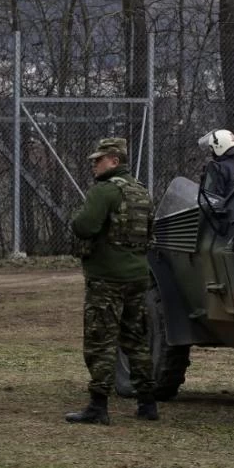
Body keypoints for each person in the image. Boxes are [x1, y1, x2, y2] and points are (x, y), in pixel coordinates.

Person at [65, 138, 157, 426]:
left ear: (114, 161)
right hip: (137, 276)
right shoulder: (142, 192)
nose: (94, 164)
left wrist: (76, 217)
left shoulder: (104, 192)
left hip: (107, 279)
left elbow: (84, 226)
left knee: (100, 342)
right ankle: (147, 402)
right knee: (136, 341)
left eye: (99, 159)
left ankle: (98, 405)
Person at [198, 129, 234, 197]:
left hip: (222, 207)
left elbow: (211, 197)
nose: (211, 151)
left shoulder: (217, 167)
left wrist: (206, 180)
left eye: (212, 148)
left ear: (219, 147)